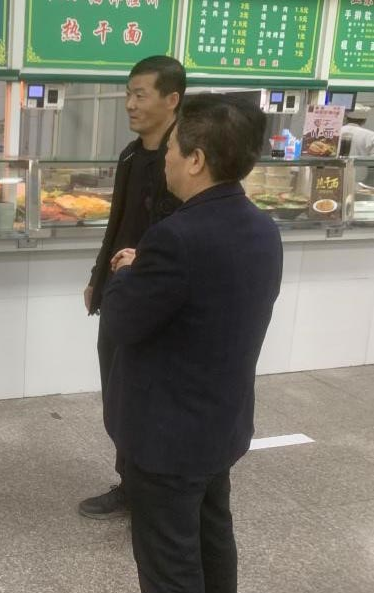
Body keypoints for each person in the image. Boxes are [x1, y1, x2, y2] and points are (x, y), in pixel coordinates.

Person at [102, 94, 282, 593]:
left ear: (196, 159)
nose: (167, 159)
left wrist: (127, 271)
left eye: (173, 148)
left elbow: (122, 321)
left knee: (169, 561)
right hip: (220, 423)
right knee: (212, 536)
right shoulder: (263, 227)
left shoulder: (175, 238)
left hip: (167, 435)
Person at [79, 55, 185, 520]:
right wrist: (98, 278)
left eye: (140, 95)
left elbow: (184, 233)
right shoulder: (130, 154)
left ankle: (151, 492)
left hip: (157, 300)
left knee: (148, 397)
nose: (130, 104)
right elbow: (117, 223)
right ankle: (130, 483)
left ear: (172, 99)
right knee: (118, 395)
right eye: (128, 94)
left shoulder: (183, 160)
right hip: (119, 295)